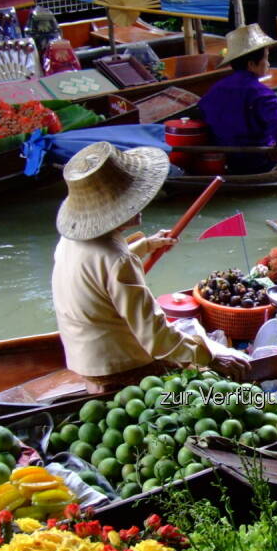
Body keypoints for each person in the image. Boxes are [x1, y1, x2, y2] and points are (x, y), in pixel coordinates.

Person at [52, 141, 250, 393]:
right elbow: (156, 338)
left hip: (81, 356)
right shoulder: (117, 260)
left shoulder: (71, 239)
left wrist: (146, 245)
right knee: (206, 380)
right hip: (118, 365)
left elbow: (96, 270)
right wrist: (210, 356)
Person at [197, 24, 277, 175]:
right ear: (251, 64)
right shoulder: (263, 94)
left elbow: (203, 112)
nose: (268, 64)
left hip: (223, 159)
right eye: (266, 58)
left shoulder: (215, 88)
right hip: (256, 161)